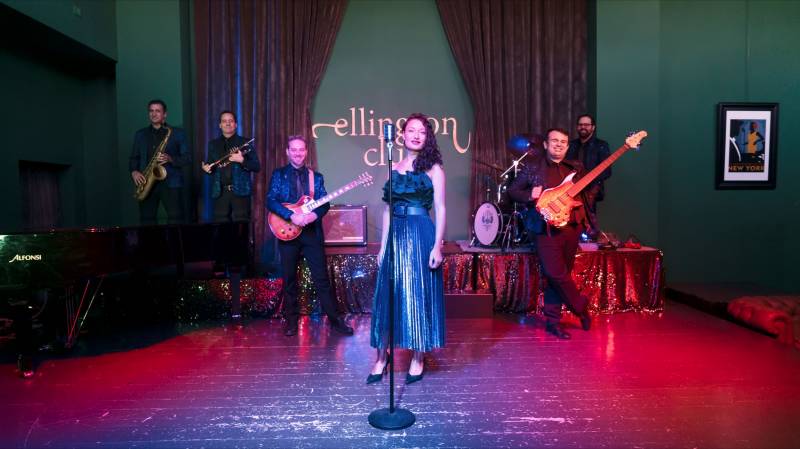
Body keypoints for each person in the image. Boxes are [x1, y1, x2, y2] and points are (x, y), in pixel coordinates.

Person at [368, 113, 446, 384]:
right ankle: (382, 357)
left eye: (421, 132)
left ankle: (418, 357)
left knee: (419, 294)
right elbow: (387, 210)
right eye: (411, 130)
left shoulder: (434, 169)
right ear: (402, 135)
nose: (416, 135)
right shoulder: (395, 166)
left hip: (421, 233)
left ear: (427, 138)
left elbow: (441, 208)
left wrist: (437, 245)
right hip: (396, 236)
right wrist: (382, 246)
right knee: (388, 295)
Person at [508, 128, 593, 340]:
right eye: (554, 140)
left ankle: (553, 323)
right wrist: (530, 195)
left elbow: (589, 191)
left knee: (561, 276)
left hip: (571, 228)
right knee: (556, 274)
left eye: (563, 142)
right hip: (545, 229)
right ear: (546, 144)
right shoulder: (533, 167)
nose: (559, 144)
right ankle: (581, 307)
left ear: (567, 146)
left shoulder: (576, 168)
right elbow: (513, 191)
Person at [266, 135, 353, 337]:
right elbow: (271, 200)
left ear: (306, 152)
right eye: (294, 149)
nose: (297, 153)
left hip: (311, 234)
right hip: (287, 233)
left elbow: (324, 203)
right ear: (288, 152)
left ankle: (335, 322)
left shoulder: (317, 178)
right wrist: (291, 216)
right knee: (289, 279)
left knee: (321, 279)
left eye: (301, 149)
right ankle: (291, 321)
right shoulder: (279, 175)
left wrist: (314, 215)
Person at [129, 99, 191, 225]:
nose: (154, 114)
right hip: (146, 181)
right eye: (151, 111)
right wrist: (134, 171)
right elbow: (134, 157)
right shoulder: (140, 135)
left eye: (158, 111)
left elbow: (187, 158)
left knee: (175, 220)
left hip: (171, 182)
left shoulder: (177, 133)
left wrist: (171, 159)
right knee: (146, 220)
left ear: (165, 114)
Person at [202, 111, 260, 222]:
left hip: (241, 191)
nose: (227, 123)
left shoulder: (245, 142)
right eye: (224, 121)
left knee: (242, 226)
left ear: (236, 124)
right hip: (220, 192)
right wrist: (207, 169)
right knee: (221, 226)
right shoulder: (213, 144)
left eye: (231, 121)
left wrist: (242, 160)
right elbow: (211, 165)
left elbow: (256, 166)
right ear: (220, 125)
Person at [566, 114, 610, 234]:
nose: (583, 127)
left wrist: (590, 182)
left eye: (586, 125)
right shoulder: (571, 145)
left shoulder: (601, 145)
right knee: (571, 220)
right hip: (572, 189)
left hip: (591, 191)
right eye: (580, 125)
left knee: (590, 224)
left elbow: (607, 171)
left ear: (593, 127)